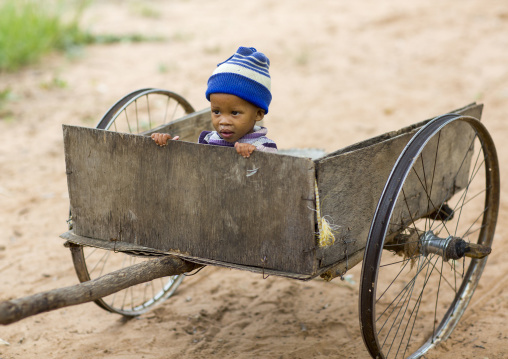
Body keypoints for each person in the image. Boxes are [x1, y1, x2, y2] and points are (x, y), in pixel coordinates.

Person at [151, 46, 277, 158]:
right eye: (216, 111)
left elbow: (274, 174)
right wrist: (173, 145)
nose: (223, 121)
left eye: (234, 113)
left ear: (259, 114)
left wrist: (256, 156)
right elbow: (193, 163)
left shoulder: (264, 146)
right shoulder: (208, 140)